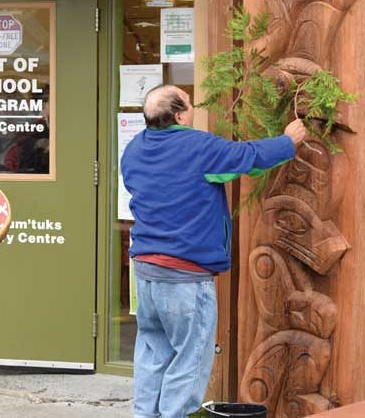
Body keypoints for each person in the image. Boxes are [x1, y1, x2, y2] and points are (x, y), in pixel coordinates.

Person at [121, 85, 306, 418]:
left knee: (151, 352)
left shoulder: (133, 149)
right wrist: (288, 141)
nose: (193, 107)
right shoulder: (198, 147)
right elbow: (248, 157)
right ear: (179, 114)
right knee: (189, 359)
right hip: (185, 276)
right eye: (189, 103)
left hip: (145, 272)